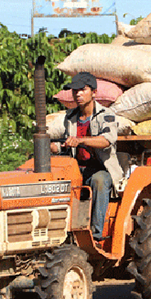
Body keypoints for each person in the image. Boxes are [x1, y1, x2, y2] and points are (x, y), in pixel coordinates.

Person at [47, 72, 124, 243]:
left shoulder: (107, 115)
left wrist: (80, 140)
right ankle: (59, 232)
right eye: (75, 91)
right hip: (77, 169)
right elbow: (68, 143)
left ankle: (95, 235)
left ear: (94, 92)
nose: (78, 94)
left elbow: (106, 140)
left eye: (83, 90)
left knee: (99, 181)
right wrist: (54, 147)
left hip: (100, 169)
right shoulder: (70, 117)